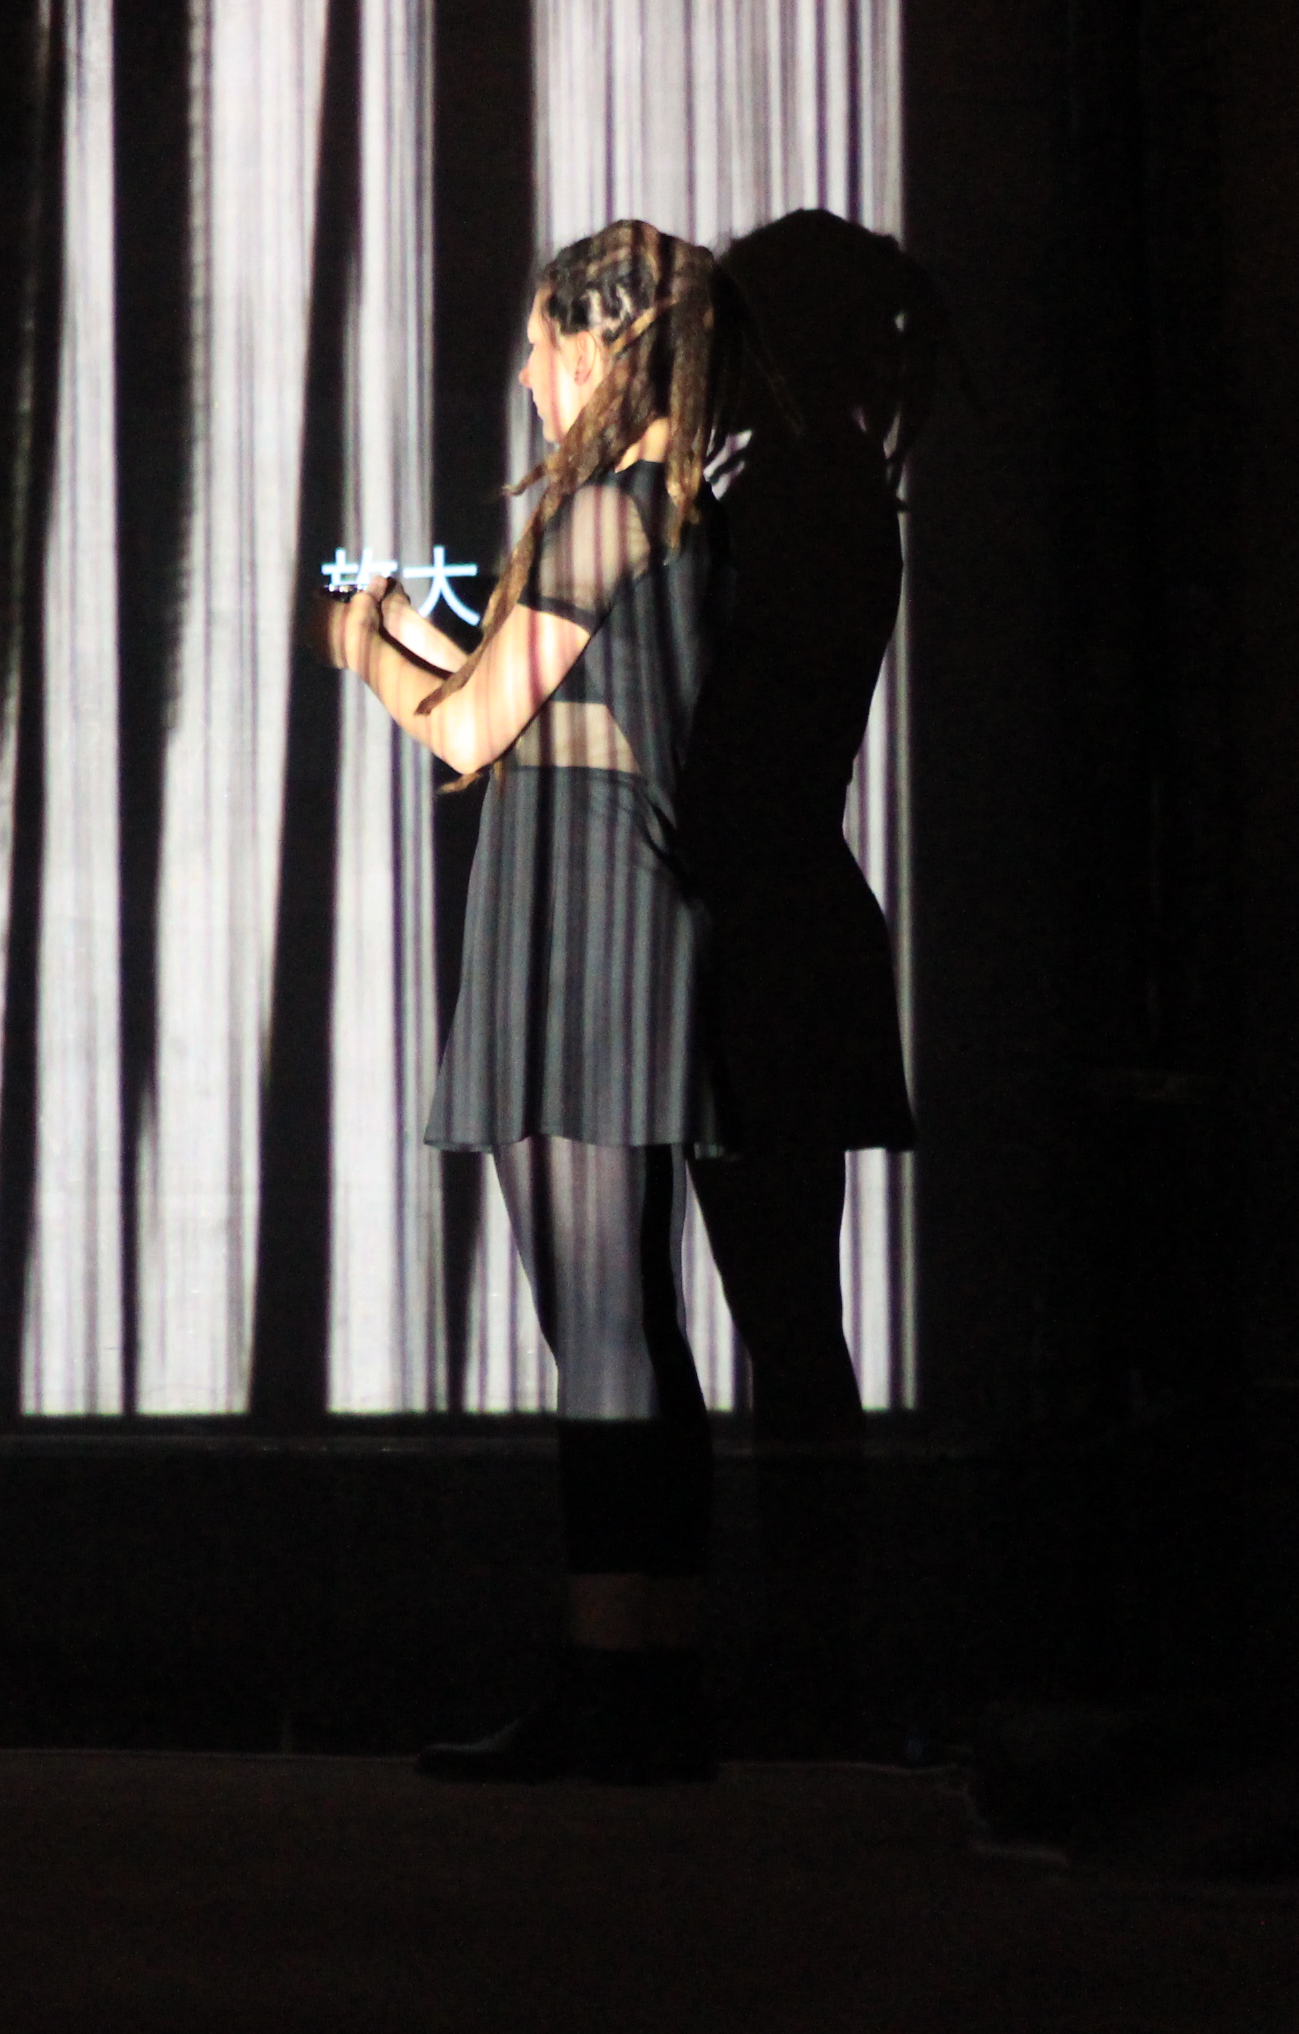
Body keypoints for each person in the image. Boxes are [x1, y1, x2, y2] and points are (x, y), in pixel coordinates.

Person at [324, 219, 730, 1783]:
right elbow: (548, 703)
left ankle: (616, 1687)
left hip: (584, 918)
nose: (524, 378)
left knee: (606, 1324)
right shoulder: (663, 515)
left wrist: (363, 652)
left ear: (601, 350)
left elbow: (469, 730)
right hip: (606, 901)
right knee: (623, 1319)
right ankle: (653, 1678)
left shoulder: (608, 513)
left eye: (545, 347)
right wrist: (419, 640)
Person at [675, 209, 939, 1755]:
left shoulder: (793, 499)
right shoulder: (827, 491)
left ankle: (799, 1665)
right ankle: (805, 1658)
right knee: (790, 1315)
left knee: (776, 1313)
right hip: (782, 921)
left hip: (755, 929)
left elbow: (727, 740)